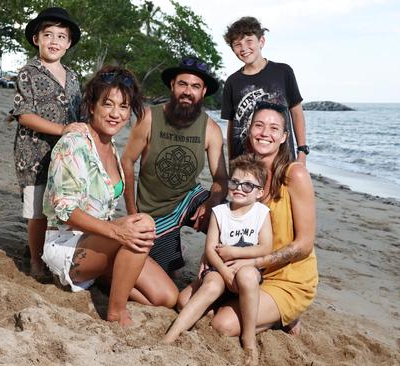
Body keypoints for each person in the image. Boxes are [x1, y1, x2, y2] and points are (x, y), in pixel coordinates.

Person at [178, 101, 318, 364]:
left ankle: (281, 317)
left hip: (286, 277)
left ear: (284, 137)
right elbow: (228, 224)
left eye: (274, 128)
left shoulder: (294, 174)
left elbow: (305, 244)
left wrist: (253, 261)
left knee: (223, 324)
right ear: (249, 131)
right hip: (243, 270)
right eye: (259, 125)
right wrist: (208, 258)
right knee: (184, 302)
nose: (266, 133)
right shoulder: (244, 173)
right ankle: (248, 303)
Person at [41, 66, 178, 326]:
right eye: (108, 104)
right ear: (92, 106)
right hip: (67, 244)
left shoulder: (111, 145)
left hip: (100, 239)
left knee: (165, 297)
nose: (116, 114)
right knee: (141, 224)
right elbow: (65, 211)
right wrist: (118, 233)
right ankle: (115, 312)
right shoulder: (74, 144)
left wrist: (118, 233)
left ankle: (107, 275)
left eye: (124, 107)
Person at [121, 56, 229, 275]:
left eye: (195, 86)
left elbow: (220, 179)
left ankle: (214, 274)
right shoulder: (149, 118)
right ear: (172, 85)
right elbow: (126, 162)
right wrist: (133, 213)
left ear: (204, 91)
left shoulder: (211, 129)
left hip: (189, 199)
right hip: (153, 212)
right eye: (183, 84)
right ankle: (173, 247)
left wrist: (211, 203)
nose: (188, 91)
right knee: (169, 275)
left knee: (228, 218)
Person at [163, 154, 272, 365]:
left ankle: (248, 339)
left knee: (248, 276)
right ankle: (172, 334)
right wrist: (224, 271)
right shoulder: (220, 212)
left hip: (244, 268)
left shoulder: (261, 213)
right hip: (219, 269)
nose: (240, 188)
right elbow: (211, 249)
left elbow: (266, 247)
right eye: (235, 182)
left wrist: (236, 253)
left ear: (259, 192)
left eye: (248, 186)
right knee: (203, 290)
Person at [10, 7, 83, 280]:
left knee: (61, 204)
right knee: (38, 209)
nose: (54, 41)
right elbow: (24, 114)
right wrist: (62, 128)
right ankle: (35, 260)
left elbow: (79, 114)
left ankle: (56, 255)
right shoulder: (28, 73)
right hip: (34, 152)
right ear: (36, 39)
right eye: (48, 35)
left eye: (61, 37)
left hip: (66, 154)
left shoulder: (74, 77)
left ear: (69, 43)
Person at [221, 16, 309, 164]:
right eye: (237, 44)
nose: (243, 48)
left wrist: (302, 151)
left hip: (281, 160)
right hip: (246, 163)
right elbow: (232, 126)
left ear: (261, 41)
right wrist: (232, 161)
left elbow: (296, 112)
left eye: (249, 41)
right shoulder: (232, 82)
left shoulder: (283, 72)